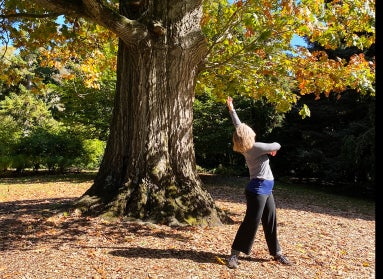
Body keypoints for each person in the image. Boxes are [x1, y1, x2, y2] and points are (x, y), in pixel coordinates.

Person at [225, 96, 291, 269]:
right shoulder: (257, 147)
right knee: (251, 222)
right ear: (249, 136)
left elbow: (238, 126)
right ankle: (234, 255)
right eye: (250, 130)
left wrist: (232, 109)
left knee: (270, 220)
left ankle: (277, 253)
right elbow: (278, 145)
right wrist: (272, 150)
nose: (252, 130)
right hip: (258, 190)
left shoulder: (246, 145)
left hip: (266, 188)